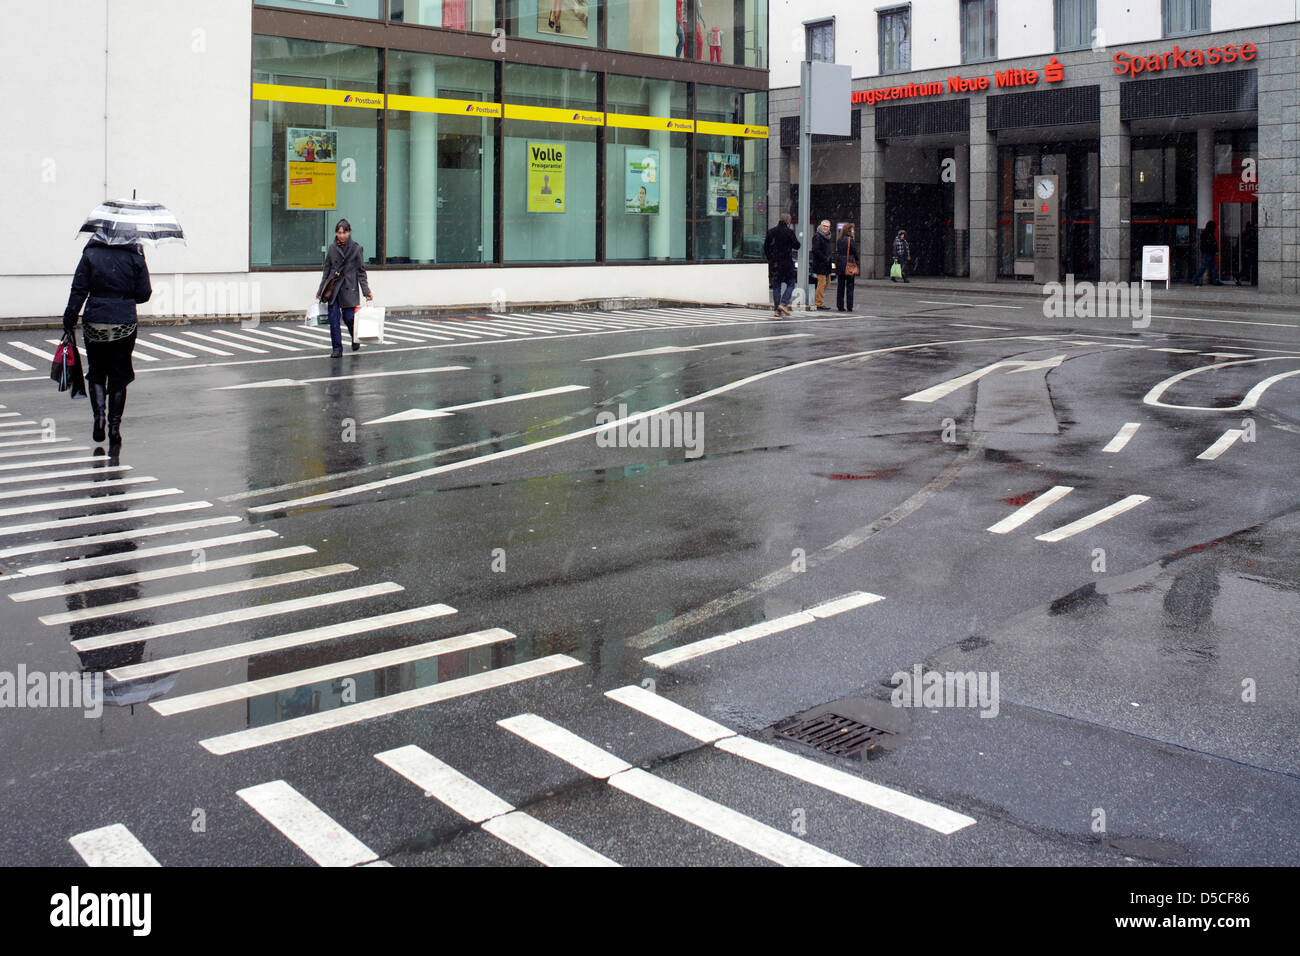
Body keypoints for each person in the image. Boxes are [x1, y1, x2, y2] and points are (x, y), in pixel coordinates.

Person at [62, 236, 151, 449]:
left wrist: (70, 317)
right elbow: (144, 293)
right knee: (119, 374)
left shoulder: (91, 253)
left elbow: (79, 288)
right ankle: (114, 427)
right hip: (124, 321)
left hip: (95, 320)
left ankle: (99, 419)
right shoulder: (134, 255)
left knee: (97, 371)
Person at [317, 219, 373, 357]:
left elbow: (361, 272)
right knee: (334, 319)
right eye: (339, 232)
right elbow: (326, 271)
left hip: (349, 287)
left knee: (348, 318)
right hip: (333, 289)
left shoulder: (356, 249)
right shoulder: (331, 248)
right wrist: (320, 291)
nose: (341, 235)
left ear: (349, 232)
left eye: (344, 232)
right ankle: (337, 348)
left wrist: (366, 291)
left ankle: (355, 337)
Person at [764, 213, 800, 317]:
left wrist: (771, 258)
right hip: (786, 263)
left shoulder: (771, 232)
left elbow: (766, 247)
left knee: (776, 286)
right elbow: (797, 245)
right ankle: (783, 304)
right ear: (788, 222)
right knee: (791, 283)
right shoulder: (789, 232)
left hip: (774, 264)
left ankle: (777, 310)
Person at [811, 220, 835, 311]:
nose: (826, 228)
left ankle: (817, 298)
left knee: (827, 282)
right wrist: (824, 258)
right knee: (822, 283)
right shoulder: (817, 236)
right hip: (820, 263)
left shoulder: (828, 236)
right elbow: (815, 250)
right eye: (824, 226)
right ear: (821, 226)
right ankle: (818, 303)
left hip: (826, 264)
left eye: (828, 226)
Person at [1191, 220, 1223, 286]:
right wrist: (1215, 250)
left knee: (1208, 267)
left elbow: (1207, 244)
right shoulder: (1209, 234)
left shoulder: (1206, 233)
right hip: (1208, 253)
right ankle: (1196, 279)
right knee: (1207, 267)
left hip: (1207, 252)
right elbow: (1211, 244)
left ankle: (1196, 279)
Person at [835, 224, 859, 311]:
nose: (853, 231)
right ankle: (849, 306)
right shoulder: (850, 240)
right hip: (849, 264)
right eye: (852, 230)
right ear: (848, 231)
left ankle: (840, 306)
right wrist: (857, 259)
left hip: (841, 264)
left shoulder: (839, 240)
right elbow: (855, 253)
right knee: (850, 286)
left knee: (840, 286)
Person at [1238, 219, 1257, 286]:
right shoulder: (1252, 232)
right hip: (1251, 252)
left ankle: (1239, 277)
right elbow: (1252, 242)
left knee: (1248, 267)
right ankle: (1238, 277)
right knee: (1249, 267)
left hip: (1248, 252)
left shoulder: (1246, 233)